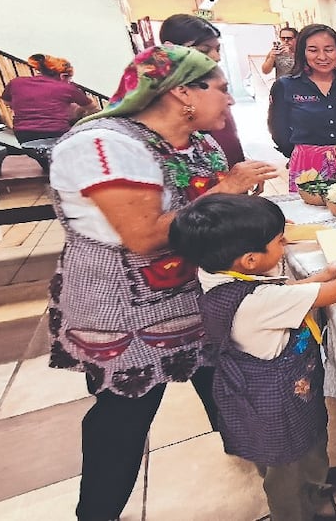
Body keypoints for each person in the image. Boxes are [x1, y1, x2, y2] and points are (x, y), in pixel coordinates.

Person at [47, 45, 279, 521]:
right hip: (120, 308)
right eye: (221, 89)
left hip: (185, 297)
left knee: (224, 383)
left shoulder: (197, 141)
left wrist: (243, 212)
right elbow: (145, 236)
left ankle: (276, 463)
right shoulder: (105, 145)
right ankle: (97, 513)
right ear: (182, 93)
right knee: (124, 415)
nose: (230, 101)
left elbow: (207, 214)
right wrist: (226, 190)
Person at [169, 194, 336, 521]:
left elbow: (280, 296)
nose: (286, 244)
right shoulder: (255, 302)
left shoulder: (218, 275)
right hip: (275, 405)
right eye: (279, 242)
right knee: (286, 471)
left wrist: (322, 276)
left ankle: (314, 482)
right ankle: (297, 512)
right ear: (249, 260)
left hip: (285, 390)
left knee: (311, 439)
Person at [268, 24, 336, 192]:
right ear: (302, 52)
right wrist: (299, 152)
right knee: (310, 213)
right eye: (313, 50)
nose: (322, 57)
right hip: (308, 163)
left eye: (329, 49)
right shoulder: (285, 85)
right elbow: (278, 127)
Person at [159, 14, 247, 165]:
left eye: (217, 49)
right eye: (203, 51)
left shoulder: (209, 81)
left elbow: (226, 135)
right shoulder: (167, 100)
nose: (216, 57)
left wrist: (240, 162)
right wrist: (228, 183)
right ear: (170, 49)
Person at [1, 54, 99, 142]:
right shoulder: (67, 88)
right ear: (63, 76)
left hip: (23, 134)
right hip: (55, 133)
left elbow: (6, 101)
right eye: (69, 78)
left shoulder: (17, 82)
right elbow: (93, 108)